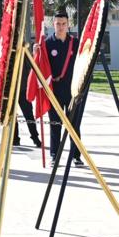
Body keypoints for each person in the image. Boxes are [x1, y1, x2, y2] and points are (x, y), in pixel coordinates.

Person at [42, 11, 82, 161]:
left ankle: (76, 155)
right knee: (55, 124)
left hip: (73, 90)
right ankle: (54, 155)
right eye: (58, 23)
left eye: (63, 23)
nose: (61, 26)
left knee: (74, 124)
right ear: (53, 24)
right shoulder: (47, 44)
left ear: (68, 24)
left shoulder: (75, 43)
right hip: (55, 90)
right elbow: (41, 66)